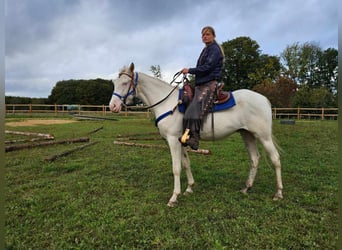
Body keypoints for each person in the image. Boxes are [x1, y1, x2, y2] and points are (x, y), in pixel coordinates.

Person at [179, 26, 224, 150]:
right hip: (201, 84)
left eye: (207, 34)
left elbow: (208, 67)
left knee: (195, 106)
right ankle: (187, 133)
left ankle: (194, 137)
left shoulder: (214, 49)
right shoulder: (206, 49)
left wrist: (190, 70)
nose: (205, 36)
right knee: (187, 100)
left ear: (213, 36)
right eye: (203, 35)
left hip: (209, 84)